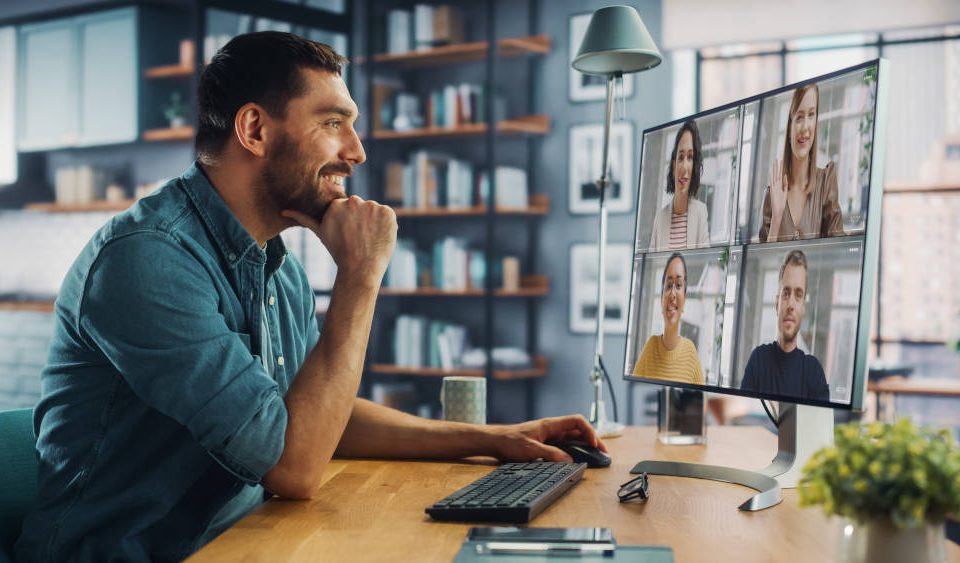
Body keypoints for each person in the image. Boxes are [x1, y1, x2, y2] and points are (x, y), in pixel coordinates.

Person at [15, 32, 605, 562]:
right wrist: (360, 275)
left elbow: (313, 420)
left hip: (244, 542)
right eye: (332, 122)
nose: (356, 151)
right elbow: (294, 464)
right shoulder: (148, 261)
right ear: (254, 130)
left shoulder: (276, 262)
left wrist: (495, 440)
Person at [739, 250, 830, 401]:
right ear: (777, 303)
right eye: (786, 293)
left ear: (803, 308)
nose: (791, 305)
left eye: (798, 295)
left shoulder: (814, 372)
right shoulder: (758, 360)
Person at [759, 83, 844, 242]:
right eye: (799, 117)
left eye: (811, 115)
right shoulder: (773, 193)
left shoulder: (825, 183)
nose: (806, 127)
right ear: (789, 125)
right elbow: (762, 258)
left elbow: (837, 248)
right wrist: (777, 217)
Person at [632, 253, 704, 385]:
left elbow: (702, 402)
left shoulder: (690, 352)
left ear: (685, 298)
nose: (672, 294)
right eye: (669, 285)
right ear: (661, 299)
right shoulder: (650, 346)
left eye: (678, 285)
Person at [650, 119, 710, 251]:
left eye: (690, 158)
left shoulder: (701, 212)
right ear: (673, 164)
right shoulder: (660, 218)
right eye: (681, 157)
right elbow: (649, 268)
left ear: (695, 166)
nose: (684, 167)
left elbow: (704, 264)